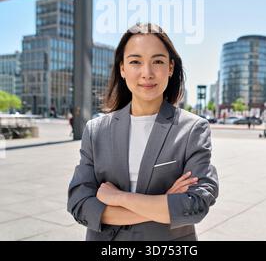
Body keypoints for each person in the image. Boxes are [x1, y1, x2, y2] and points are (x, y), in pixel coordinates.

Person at [67, 22, 219, 241]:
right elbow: (80, 204)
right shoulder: (96, 130)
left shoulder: (192, 129)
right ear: (122, 68)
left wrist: (118, 197)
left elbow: (195, 204)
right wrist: (163, 204)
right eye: (135, 61)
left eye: (157, 61)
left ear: (170, 68)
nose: (147, 73)